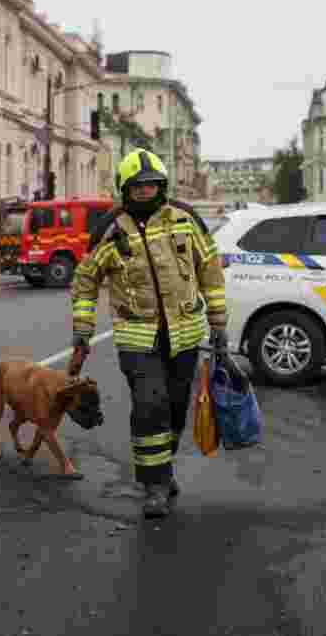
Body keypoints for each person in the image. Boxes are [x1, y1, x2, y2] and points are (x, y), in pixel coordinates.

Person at [69, 148, 233, 519]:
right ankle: (154, 484)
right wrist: (82, 330)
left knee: (175, 409)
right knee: (150, 405)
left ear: (162, 185)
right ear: (125, 189)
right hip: (137, 339)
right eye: (138, 186)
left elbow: (210, 270)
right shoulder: (109, 231)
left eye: (151, 185)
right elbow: (84, 283)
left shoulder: (185, 220)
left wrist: (219, 324)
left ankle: (164, 466)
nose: (145, 191)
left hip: (185, 334)